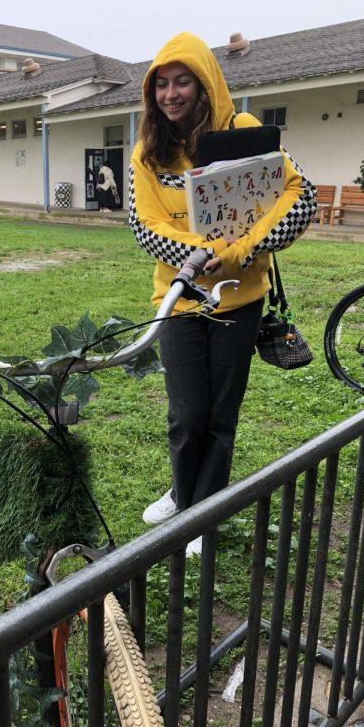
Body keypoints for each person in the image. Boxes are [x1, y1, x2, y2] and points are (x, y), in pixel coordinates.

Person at [129, 32, 316, 555]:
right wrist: (203, 251)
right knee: (186, 414)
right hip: (181, 301)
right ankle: (183, 491)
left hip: (240, 300)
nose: (171, 94)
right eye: (161, 84)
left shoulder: (246, 132)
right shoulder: (148, 151)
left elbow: (301, 197)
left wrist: (244, 248)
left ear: (205, 84)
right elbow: (145, 226)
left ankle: (205, 510)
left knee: (220, 414)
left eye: (182, 81)